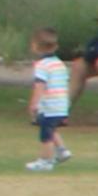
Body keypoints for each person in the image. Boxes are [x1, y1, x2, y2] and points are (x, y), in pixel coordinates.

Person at [23, 28, 74, 170]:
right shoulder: (59, 64)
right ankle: (62, 150)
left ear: (35, 46)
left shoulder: (41, 66)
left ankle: (46, 160)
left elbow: (40, 86)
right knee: (51, 129)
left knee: (45, 135)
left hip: (49, 106)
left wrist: (34, 103)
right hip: (61, 105)